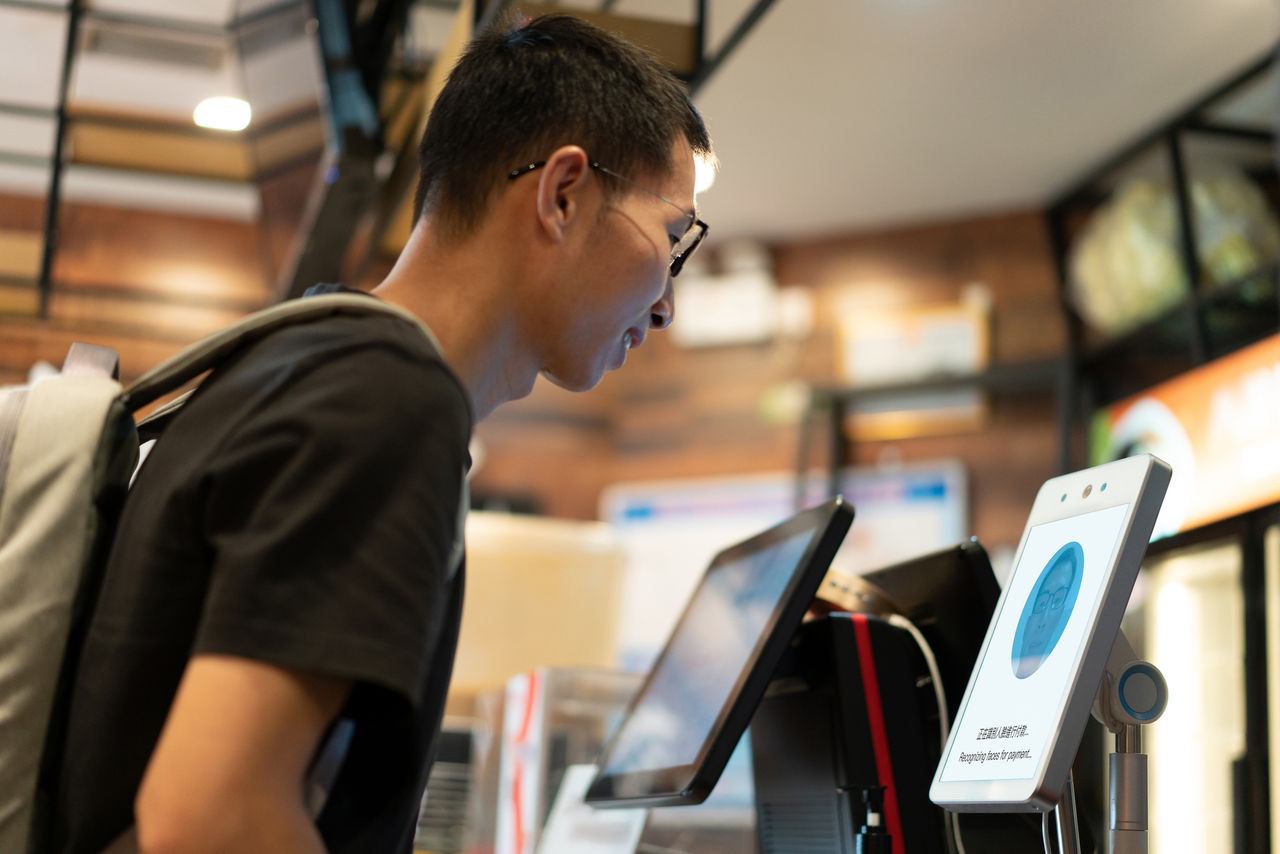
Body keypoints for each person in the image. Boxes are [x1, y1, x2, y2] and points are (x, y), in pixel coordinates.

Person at [52, 13, 713, 854]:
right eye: (672, 237)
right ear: (562, 194)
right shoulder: (384, 400)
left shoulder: (310, 358)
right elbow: (210, 822)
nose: (664, 302)